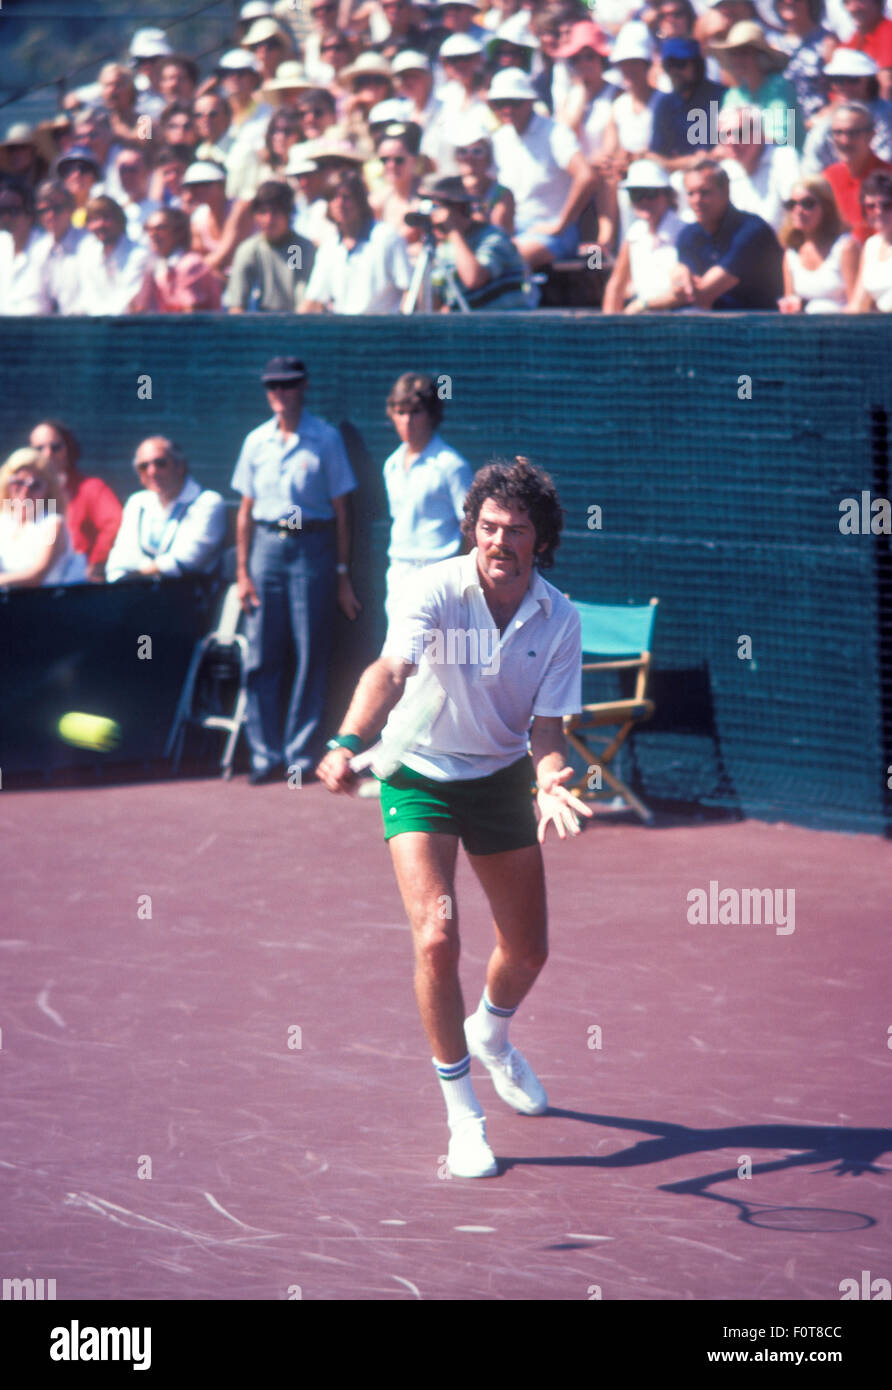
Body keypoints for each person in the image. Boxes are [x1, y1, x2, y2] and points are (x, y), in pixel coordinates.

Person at [316, 459, 594, 1179]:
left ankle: (493, 1034)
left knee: (528, 951)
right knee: (437, 937)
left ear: (541, 540)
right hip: (418, 773)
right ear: (473, 527)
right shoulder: (432, 587)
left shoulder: (561, 618)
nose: (499, 540)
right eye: (489, 526)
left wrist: (550, 782)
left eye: (517, 530)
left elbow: (548, 728)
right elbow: (390, 671)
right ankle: (464, 1119)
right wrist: (349, 739)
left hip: (500, 775)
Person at [231, 355, 361, 784]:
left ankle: (299, 754)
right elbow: (245, 510)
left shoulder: (325, 439)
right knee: (261, 653)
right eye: (272, 387)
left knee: (310, 652)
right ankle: (264, 754)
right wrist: (243, 573)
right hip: (266, 548)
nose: (280, 395)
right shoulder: (255, 442)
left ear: (303, 388)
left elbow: (343, 510)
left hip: (313, 546)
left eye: (287, 386)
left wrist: (341, 572)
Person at [382, 371, 473, 622]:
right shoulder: (391, 464)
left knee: (435, 657)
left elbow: (471, 528)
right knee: (398, 656)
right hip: (399, 573)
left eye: (416, 412)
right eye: (401, 412)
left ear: (431, 415)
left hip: (438, 575)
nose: (407, 421)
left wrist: (458, 575)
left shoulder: (452, 466)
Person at [489, 66, 598, 268]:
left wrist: (561, 224)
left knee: (502, 262)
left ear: (530, 101)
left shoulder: (556, 133)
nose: (507, 109)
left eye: (514, 102)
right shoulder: (500, 138)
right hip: (514, 232)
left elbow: (587, 176)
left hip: (552, 233)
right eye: (500, 103)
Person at [106, 437, 226, 583]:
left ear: (180, 466)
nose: (152, 472)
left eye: (160, 463)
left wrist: (135, 572)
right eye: (143, 466)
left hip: (186, 595)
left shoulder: (207, 502)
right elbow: (121, 556)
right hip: (136, 590)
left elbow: (186, 560)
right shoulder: (137, 502)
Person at [673, 157, 784, 307]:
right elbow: (683, 288)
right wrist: (680, 280)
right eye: (691, 193)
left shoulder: (752, 230)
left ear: (725, 190)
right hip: (714, 323)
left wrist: (643, 304)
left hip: (761, 324)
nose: (696, 200)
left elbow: (701, 294)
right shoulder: (688, 235)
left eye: (705, 192)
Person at [301, 168, 412, 312]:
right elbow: (314, 299)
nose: (339, 203)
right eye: (333, 197)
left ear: (360, 200)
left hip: (383, 330)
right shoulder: (329, 247)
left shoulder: (387, 236)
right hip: (343, 330)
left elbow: (408, 289)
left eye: (346, 197)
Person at [28, 421, 123, 581]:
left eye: (56, 447)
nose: (47, 454)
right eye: (39, 449)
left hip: (76, 583)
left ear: (68, 449)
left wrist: (96, 563)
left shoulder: (91, 488)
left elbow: (114, 523)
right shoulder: (24, 493)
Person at [424, 174, 529, 309]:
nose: (433, 215)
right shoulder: (441, 247)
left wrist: (453, 231)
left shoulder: (494, 238)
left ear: (459, 208)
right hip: (466, 327)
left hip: (503, 325)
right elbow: (432, 305)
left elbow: (474, 279)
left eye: (436, 207)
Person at [601, 158, 684, 310]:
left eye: (650, 193)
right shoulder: (635, 233)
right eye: (636, 194)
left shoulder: (684, 232)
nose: (644, 201)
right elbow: (616, 285)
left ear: (666, 194)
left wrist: (643, 306)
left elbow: (684, 292)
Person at [0, 447, 87, 588]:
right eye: (18, 483)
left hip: (47, 606)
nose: (25, 492)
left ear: (48, 491)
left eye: (35, 486)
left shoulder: (52, 524)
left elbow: (37, 576)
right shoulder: (4, 522)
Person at [711, 21, 804, 150]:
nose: (737, 60)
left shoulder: (780, 89)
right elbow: (724, 139)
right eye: (733, 53)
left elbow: (779, 138)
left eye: (744, 53)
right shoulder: (733, 95)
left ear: (761, 56)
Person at [225, 180, 315, 311]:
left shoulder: (297, 248)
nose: (269, 219)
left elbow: (303, 301)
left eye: (276, 212)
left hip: (294, 324)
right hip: (258, 325)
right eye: (263, 212)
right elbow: (236, 305)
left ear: (289, 213)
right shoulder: (249, 250)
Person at [777, 173, 861, 309]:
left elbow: (857, 308)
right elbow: (790, 307)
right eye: (792, 204)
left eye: (807, 204)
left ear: (827, 208)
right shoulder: (791, 255)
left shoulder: (845, 248)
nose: (798, 210)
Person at [712, 104, 801, 230]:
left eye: (740, 133)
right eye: (724, 135)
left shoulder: (784, 158)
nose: (731, 141)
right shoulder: (725, 170)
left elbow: (796, 212)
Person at [648, 37, 727, 170]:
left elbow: (736, 143)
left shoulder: (721, 97)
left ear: (697, 65)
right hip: (679, 176)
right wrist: (687, 163)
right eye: (668, 65)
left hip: (719, 171)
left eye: (680, 64)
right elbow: (654, 155)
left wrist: (709, 158)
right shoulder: (665, 104)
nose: (673, 72)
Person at [823, 100, 892, 240]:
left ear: (871, 135)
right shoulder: (827, 179)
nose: (844, 140)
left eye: (853, 133)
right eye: (838, 132)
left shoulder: (888, 177)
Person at [73, 194, 152, 313]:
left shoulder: (140, 254)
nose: (100, 224)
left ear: (120, 220)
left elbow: (128, 301)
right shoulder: (87, 255)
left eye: (106, 218)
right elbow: (87, 298)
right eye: (94, 220)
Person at [141, 207, 224, 311]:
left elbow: (192, 318)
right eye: (148, 229)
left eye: (160, 228)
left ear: (178, 232)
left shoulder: (190, 265)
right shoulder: (155, 267)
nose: (152, 234)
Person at [31, 179, 85, 314]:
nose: (50, 215)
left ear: (72, 208)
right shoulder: (38, 248)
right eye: (43, 210)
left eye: (57, 208)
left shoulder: (89, 244)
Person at [0, 177, 52, 314]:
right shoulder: (2, 244)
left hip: (39, 330)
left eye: (13, 211)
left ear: (30, 213)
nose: (6, 218)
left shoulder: (48, 247)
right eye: (2, 210)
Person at [848, 167, 892, 307]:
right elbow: (858, 303)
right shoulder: (871, 245)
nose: (878, 211)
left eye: (887, 205)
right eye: (871, 206)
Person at [839, 0, 892, 101]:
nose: (853, 8)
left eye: (860, 1)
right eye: (847, 2)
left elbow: (887, 85)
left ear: (878, 3)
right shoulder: (852, 41)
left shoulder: (888, 32)